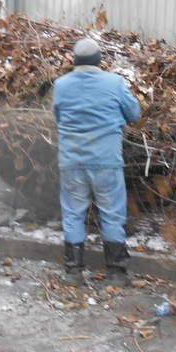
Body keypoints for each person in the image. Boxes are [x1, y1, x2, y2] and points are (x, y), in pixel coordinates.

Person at [52, 37, 142, 287]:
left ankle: (73, 273)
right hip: (106, 161)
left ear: (75, 61)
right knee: (112, 214)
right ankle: (116, 274)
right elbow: (134, 113)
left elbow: (58, 117)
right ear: (99, 61)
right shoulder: (114, 83)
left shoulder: (61, 85)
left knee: (72, 214)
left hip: (71, 161)